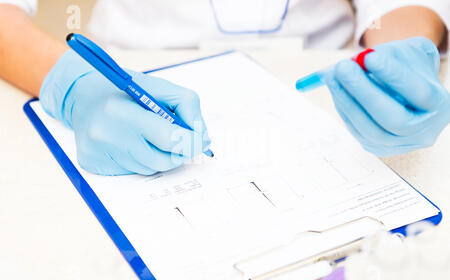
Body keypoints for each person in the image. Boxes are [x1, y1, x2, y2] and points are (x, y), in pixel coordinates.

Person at [0, 0, 449, 175]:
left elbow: (402, 7)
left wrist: (400, 58)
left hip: (328, 86)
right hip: (125, 74)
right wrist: (73, 87)